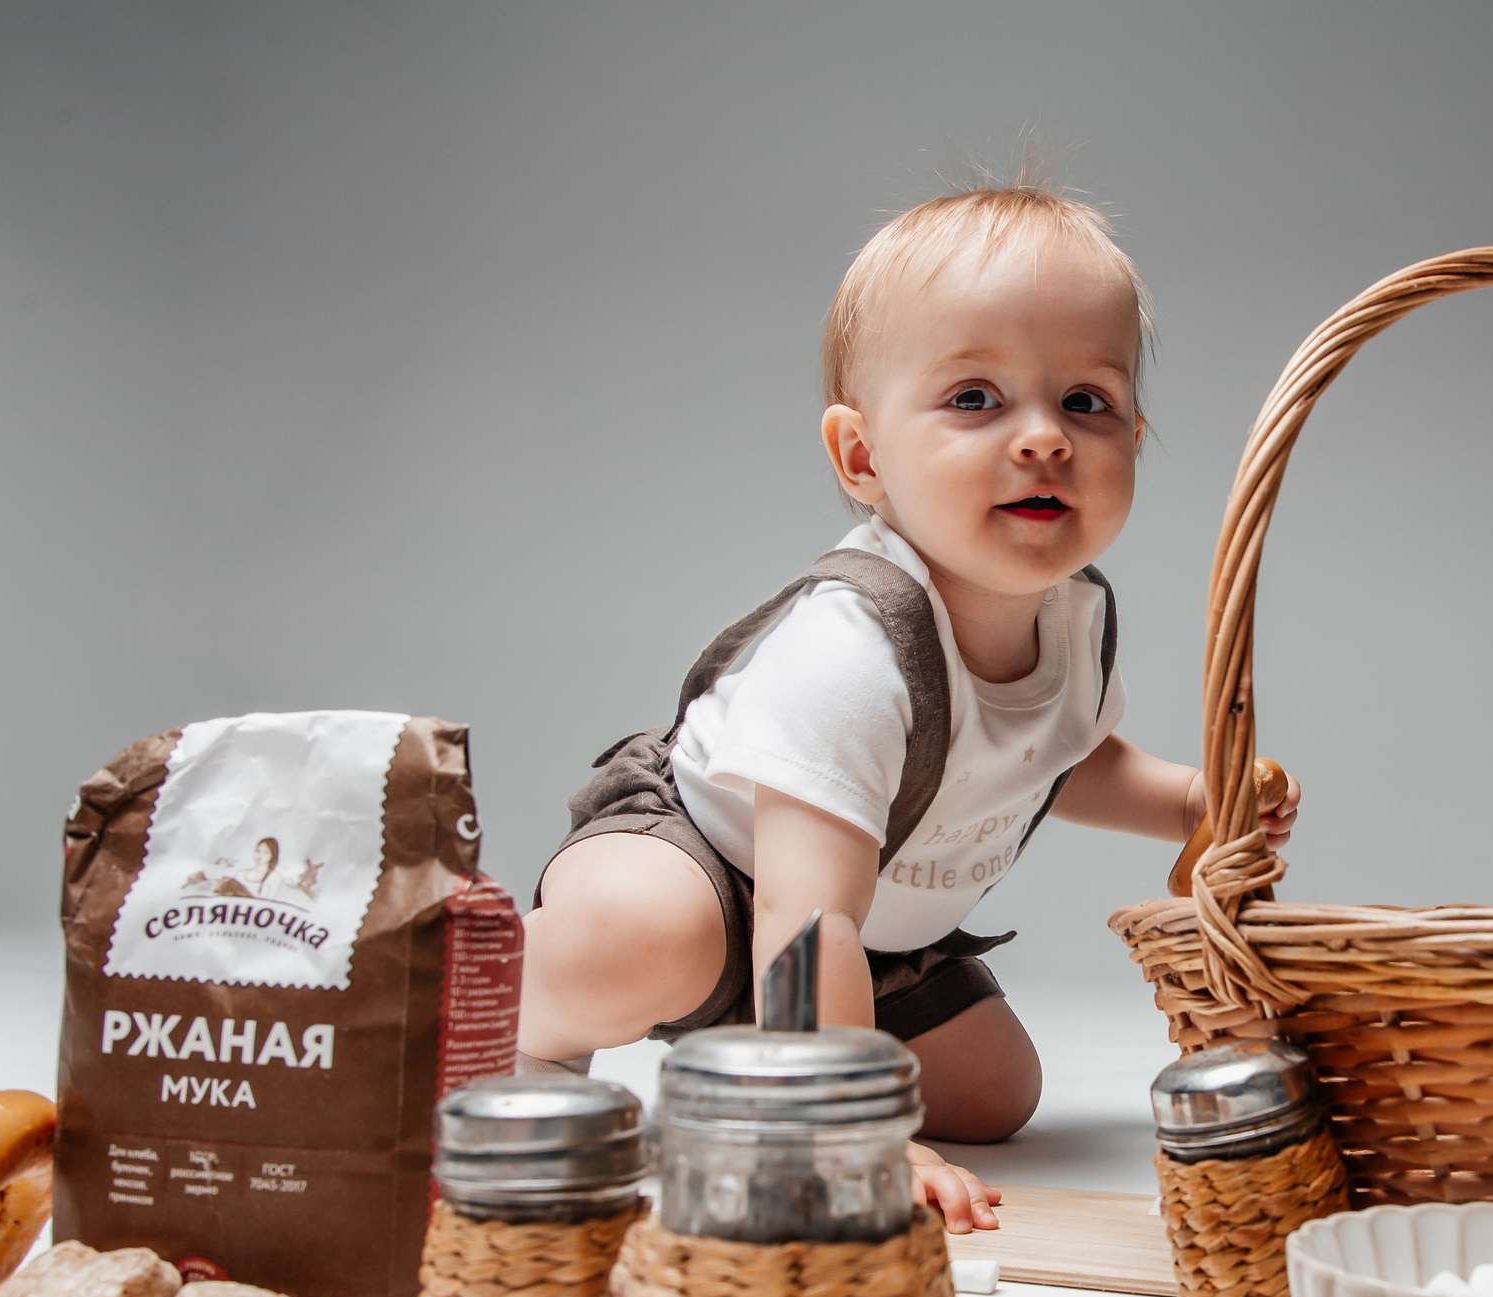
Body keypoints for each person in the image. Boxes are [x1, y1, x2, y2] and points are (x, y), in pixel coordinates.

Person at [517, 174, 1301, 1231]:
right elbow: (807, 920)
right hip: (724, 872)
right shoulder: (851, 652)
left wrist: (1184, 802)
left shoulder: (1072, 617)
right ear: (861, 456)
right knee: (634, 938)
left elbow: (1053, 757)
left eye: (1087, 401)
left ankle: (759, 1060)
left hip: (869, 934)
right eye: (975, 399)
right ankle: (510, 1024)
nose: (1043, 438)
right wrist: (861, 1136)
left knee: (995, 1099)